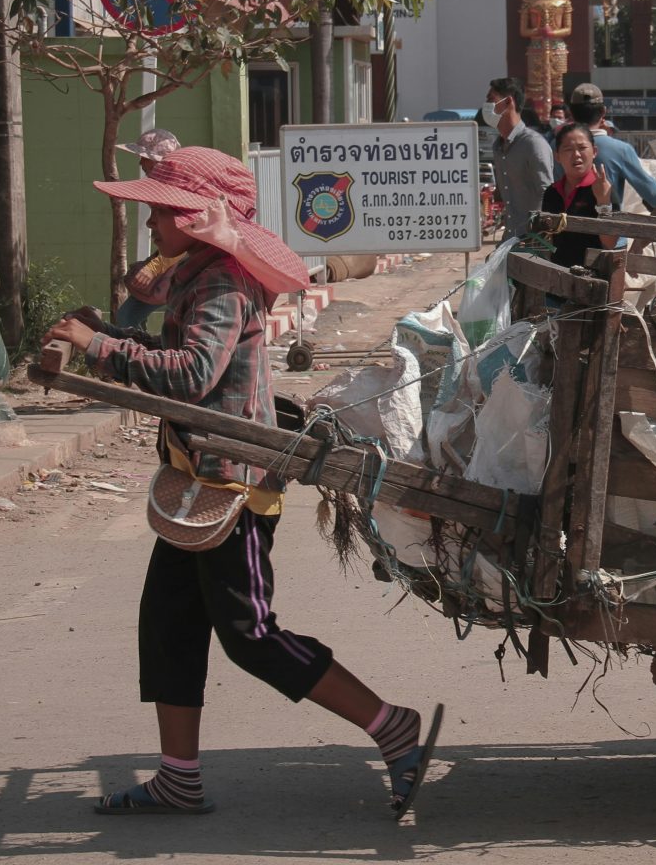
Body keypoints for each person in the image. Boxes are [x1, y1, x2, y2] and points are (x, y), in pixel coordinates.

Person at [43, 147, 440, 819]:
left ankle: (391, 725)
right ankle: (178, 778)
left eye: (160, 212)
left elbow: (191, 374)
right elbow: (179, 357)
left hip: (234, 487)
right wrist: (103, 334)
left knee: (249, 633)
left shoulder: (222, 282)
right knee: (168, 624)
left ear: (194, 218)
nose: (151, 224)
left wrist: (99, 346)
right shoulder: (196, 274)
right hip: (195, 481)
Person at [113, 128, 185, 330]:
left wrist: (155, 267)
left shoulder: (180, 193)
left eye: (144, 158)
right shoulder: (165, 190)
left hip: (184, 266)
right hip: (175, 264)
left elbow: (189, 237)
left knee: (127, 317)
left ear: (159, 162)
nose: (140, 163)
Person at [568, 82, 656, 213]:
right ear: (603, 111)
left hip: (563, 223)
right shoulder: (621, 149)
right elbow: (654, 195)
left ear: (571, 112)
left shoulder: (556, 146)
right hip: (606, 224)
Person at [483, 77, 554, 240]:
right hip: (511, 237)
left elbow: (547, 194)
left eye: (491, 99)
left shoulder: (533, 144)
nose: (486, 105)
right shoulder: (498, 147)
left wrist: (539, 236)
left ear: (508, 102)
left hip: (532, 241)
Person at [542, 122, 618, 269]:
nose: (576, 154)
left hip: (593, 277)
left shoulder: (604, 189)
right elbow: (546, 239)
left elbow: (610, 243)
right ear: (557, 156)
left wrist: (603, 202)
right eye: (568, 149)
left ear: (594, 151)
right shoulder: (552, 192)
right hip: (557, 275)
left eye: (582, 148)